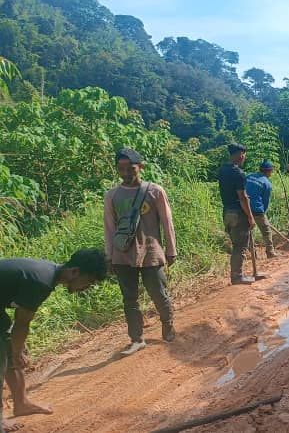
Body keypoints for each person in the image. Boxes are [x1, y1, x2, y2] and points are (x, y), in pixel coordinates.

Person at [0, 249, 107, 432]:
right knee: (2, 357)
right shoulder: (41, 281)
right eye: (88, 282)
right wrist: (17, 351)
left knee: (8, 349)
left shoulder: (46, 273)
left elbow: (20, 322)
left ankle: (21, 403)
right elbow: (22, 322)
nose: (86, 288)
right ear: (75, 272)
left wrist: (18, 346)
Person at [103, 148, 177, 356]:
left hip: (151, 252)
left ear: (141, 167)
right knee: (130, 299)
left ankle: (167, 323)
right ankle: (136, 338)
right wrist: (109, 256)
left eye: (131, 168)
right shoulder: (112, 196)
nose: (126, 173)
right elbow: (109, 228)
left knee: (158, 292)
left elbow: (167, 222)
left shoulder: (155, 191)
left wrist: (171, 250)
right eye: (121, 169)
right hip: (122, 254)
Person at [218, 143, 256, 285]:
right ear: (240, 154)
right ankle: (237, 276)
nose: (244, 158)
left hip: (227, 212)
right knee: (240, 246)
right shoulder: (238, 173)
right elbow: (243, 197)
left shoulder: (222, 170)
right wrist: (251, 217)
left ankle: (236, 274)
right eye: (244, 155)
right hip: (238, 213)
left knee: (236, 245)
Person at [246, 160, 279, 258]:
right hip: (257, 209)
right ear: (269, 171)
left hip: (244, 208)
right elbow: (265, 201)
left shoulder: (249, 176)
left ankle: (253, 254)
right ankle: (270, 252)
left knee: (247, 231)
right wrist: (263, 213)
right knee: (266, 230)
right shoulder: (267, 183)